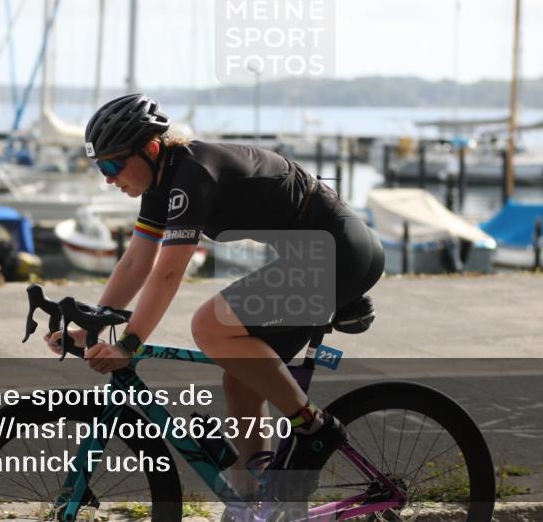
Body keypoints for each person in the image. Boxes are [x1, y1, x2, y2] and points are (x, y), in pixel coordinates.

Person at [46, 94, 385, 504]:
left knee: (210, 325)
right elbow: (137, 261)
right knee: (240, 381)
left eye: (113, 165)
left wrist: (129, 343)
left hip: (339, 253)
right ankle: (261, 500)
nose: (108, 178)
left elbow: (168, 273)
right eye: (101, 168)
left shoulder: (193, 175)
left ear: (151, 149)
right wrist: (94, 325)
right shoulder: (160, 181)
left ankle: (315, 429)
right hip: (314, 256)